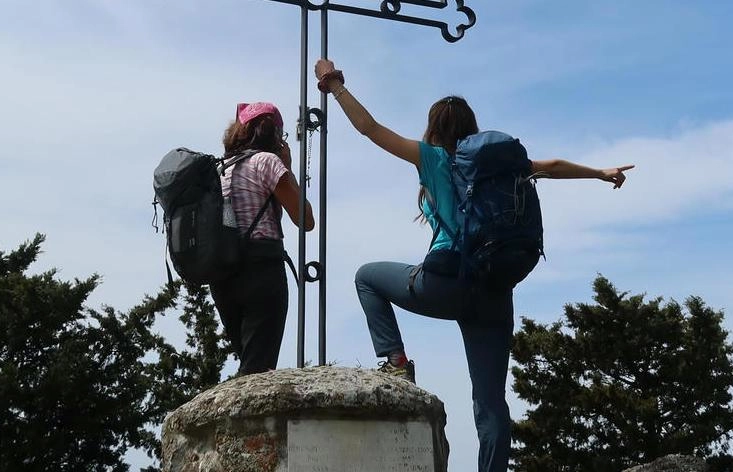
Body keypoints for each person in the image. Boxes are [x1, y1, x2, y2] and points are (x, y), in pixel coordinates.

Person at [313, 59, 634, 472]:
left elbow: (370, 128)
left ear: (434, 128)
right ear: (472, 127)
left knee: (366, 277)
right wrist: (600, 173)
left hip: (444, 282)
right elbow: (552, 167)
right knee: (490, 402)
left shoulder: (431, 158)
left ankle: (395, 363)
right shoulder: (499, 167)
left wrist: (336, 86)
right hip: (494, 293)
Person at [208, 102, 315, 377]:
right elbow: (306, 219)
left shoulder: (218, 171)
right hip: (261, 269)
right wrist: (288, 169)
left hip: (223, 275)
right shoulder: (266, 162)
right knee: (257, 370)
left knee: (249, 360)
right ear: (274, 134)